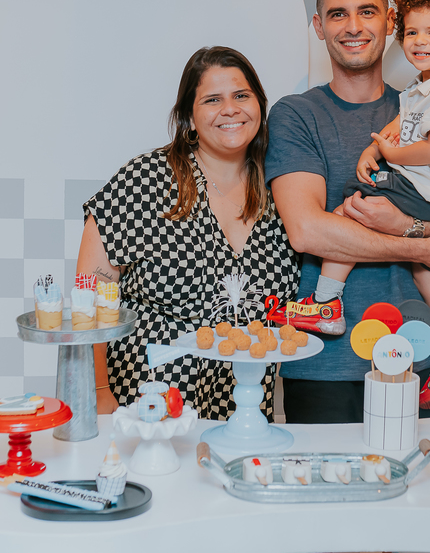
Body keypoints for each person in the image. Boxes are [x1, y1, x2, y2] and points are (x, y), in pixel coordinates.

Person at [266, 0, 430, 553]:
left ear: (391, 23)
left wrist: (408, 225)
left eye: (368, 11)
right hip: (323, 360)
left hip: (418, 356)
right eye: (338, 14)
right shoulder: (296, 115)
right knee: (326, 525)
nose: (354, 26)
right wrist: (423, 245)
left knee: (406, 521)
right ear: (318, 26)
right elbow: (307, 227)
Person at [79, 47, 299, 436]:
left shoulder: (284, 184)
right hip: (149, 401)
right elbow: (90, 299)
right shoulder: (145, 180)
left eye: (241, 96)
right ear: (189, 117)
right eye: (212, 100)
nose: (230, 109)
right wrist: (99, 394)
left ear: (260, 106)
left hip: (244, 406)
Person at [317, 0, 430, 409]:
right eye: (413, 32)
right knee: (429, 277)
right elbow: (402, 122)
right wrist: (377, 147)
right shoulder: (425, 86)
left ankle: (325, 304)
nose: (420, 41)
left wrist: (392, 155)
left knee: (345, 215)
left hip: (427, 192)